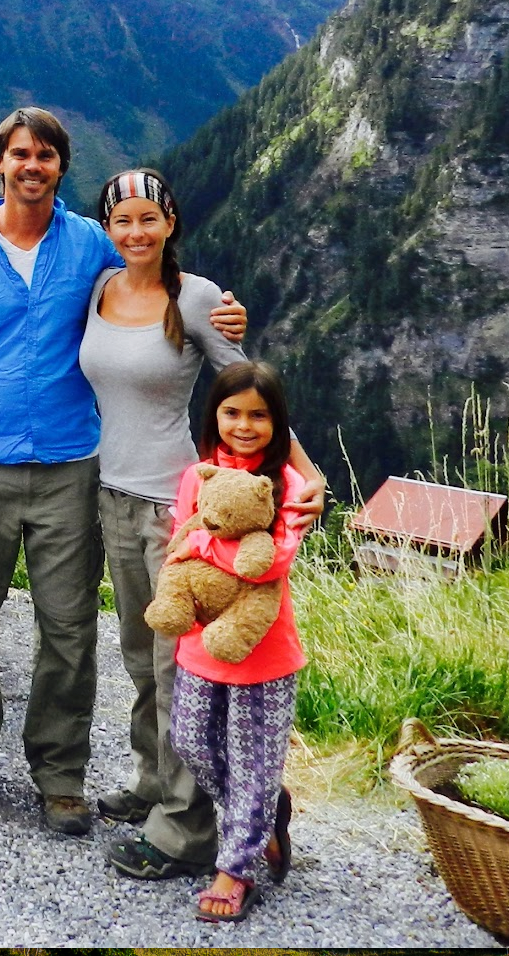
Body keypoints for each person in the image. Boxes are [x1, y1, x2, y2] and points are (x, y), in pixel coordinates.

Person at [0, 108, 248, 836]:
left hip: (70, 464)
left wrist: (220, 309)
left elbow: (151, 264)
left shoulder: (89, 242)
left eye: (47, 155)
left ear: (61, 166)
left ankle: (59, 775)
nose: (33, 165)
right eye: (20, 153)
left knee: (68, 626)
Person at [78, 169, 324, 879]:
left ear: (171, 223)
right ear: (108, 228)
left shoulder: (197, 297)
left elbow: (247, 388)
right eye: (122, 220)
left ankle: (184, 832)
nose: (135, 232)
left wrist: (305, 472)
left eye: (148, 219)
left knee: (175, 666)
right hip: (112, 495)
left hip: (176, 511)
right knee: (139, 652)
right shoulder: (101, 289)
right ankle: (156, 781)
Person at [167, 360, 306, 922]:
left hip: (263, 649)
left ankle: (236, 871)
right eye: (232, 412)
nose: (244, 426)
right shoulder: (197, 476)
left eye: (259, 415)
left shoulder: (288, 485)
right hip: (200, 643)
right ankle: (265, 809)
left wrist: (203, 545)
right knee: (191, 742)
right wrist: (194, 552)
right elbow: (176, 544)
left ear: (278, 422)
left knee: (252, 759)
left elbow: (269, 563)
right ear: (214, 415)